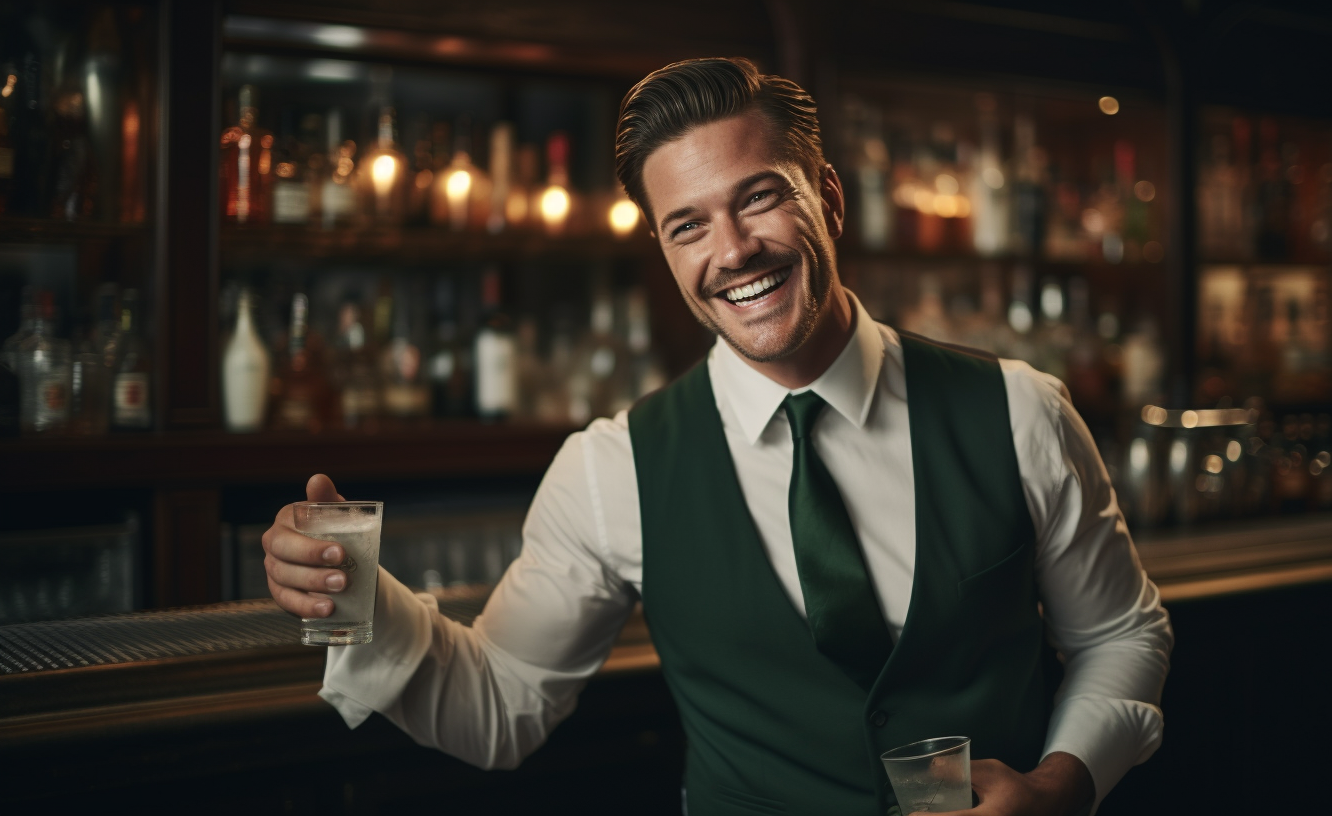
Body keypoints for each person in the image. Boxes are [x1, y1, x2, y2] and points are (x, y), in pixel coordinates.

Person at [261, 57, 1172, 816]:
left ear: (828, 198)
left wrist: (1063, 787)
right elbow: (498, 705)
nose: (731, 250)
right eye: (688, 225)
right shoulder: (612, 469)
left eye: (759, 198)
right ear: (664, 250)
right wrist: (350, 598)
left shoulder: (1018, 411)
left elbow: (1121, 633)